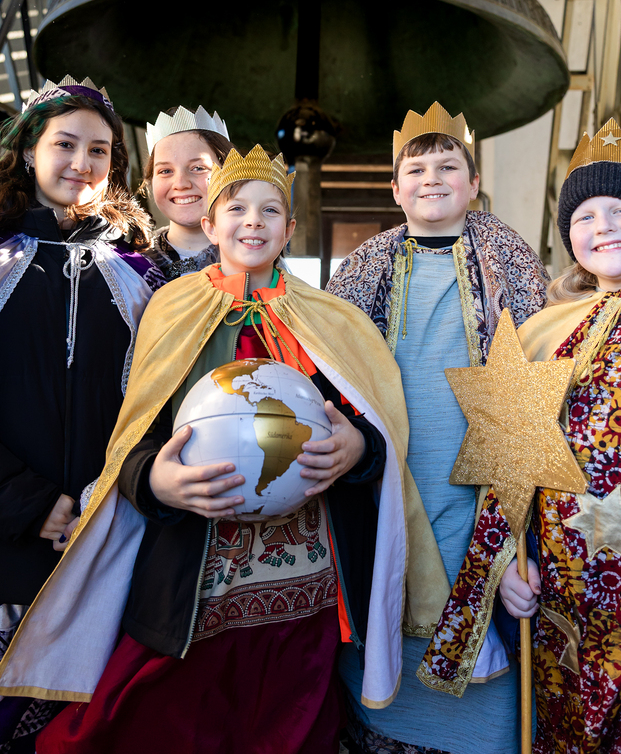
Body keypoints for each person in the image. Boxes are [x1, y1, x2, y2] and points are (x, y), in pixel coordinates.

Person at [0, 144, 424, 754]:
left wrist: (360, 447)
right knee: (161, 724)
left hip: (304, 590)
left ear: (290, 230)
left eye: (270, 210)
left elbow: (374, 423)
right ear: (209, 223)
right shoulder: (170, 308)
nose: (253, 221)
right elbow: (134, 435)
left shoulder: (332, 319)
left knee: (290, 727)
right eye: (237, 208)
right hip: (190, 585)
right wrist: (154, 482)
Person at [421, 118, 621, 754]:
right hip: (563, 581)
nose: (603, 226)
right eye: (584, 215)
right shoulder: (541, 334)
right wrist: (509, 559)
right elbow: (508, 459)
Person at [327, 102, 550, 754]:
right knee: (389, 581)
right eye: (416, 170)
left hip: (480, 473)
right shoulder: (363, 268)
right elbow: (331, 364)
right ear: (395, 189)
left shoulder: (512, 262)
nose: (432, 179)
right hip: (390, 467)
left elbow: (539, 373)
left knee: (477, 589)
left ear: (473, 182)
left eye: (448, 166)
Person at [0, 76, 163, 751]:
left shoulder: (142, 276)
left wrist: (106, 496)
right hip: (6, 542)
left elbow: (157, 405)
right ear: (28, 152)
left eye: (99, 150)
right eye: (64, 144)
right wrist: (27, 501)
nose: (82, 163)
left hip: (102, 542)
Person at [142, 105, 233, 279]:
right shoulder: (132, 268)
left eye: (198, 168)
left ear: (228, 174)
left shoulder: (257, 255)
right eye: (165, 171)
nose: (181, 184)